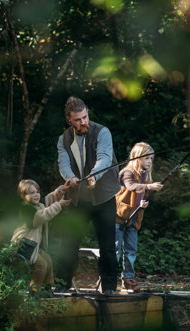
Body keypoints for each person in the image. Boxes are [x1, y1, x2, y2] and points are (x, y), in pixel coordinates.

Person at [55, 96, 120, 295]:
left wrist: (94, 176)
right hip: (78, 201)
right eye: (78, 119)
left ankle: (109, 289)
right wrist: (70, 177)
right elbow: (63, 163)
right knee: (68, 244)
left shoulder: (103, 132)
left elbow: (104, 158)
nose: (83, 122)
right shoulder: (63, 139)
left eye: (85, 117)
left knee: (108, 246)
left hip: (104, 198)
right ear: (69, 119)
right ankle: (61, 286)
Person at [115, 142, 163, 291]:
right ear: (138, 158)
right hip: (118, 218)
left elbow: (143, 193)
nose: (150, 162)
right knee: (115, 251)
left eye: (151, 159)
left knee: (131, 251)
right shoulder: (127, 172)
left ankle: (128, 279)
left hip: (134, 220)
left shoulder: (145, 175)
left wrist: (144, 202)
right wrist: (149, 186)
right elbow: (131, 186)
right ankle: (106, 278)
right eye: (147, 158)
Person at [11, 179, 71, 296]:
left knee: (48, 261)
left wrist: (62, 190)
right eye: (32, 193)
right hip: (23, 245)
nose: (36, 195)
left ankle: (47, 289)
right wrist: (59, 205)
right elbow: (39, 218)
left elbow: (49, 200)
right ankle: (35, 292)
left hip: (34, 246)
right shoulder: (26, 208)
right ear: (23, 196)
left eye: (37, 192)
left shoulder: (39, 205)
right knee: (41, 265)